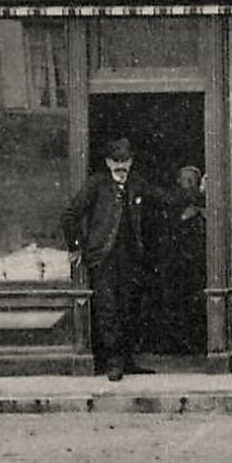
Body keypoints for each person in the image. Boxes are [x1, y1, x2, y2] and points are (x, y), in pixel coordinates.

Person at [62, 138, 156, 381]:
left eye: (125, 161)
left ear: (132, 161)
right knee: (108, 310)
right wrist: (76, 247)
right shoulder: (97, 184)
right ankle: (113, 363)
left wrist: (195, 193)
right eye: (116, 162)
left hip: (130, 258)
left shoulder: (137, 184)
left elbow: (163, 198)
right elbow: (70, 215)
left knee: (129, 309)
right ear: (107, 162)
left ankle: (127, 360)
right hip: (103, 259)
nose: (121, 167)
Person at [144, 164, 207, 355]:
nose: (188, 185)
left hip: (195, 264)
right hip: (172, 262)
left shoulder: (201, 206)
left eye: (192, 182)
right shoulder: (171, 200)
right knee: (171, 303)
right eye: (184, 180)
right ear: (177, 181)